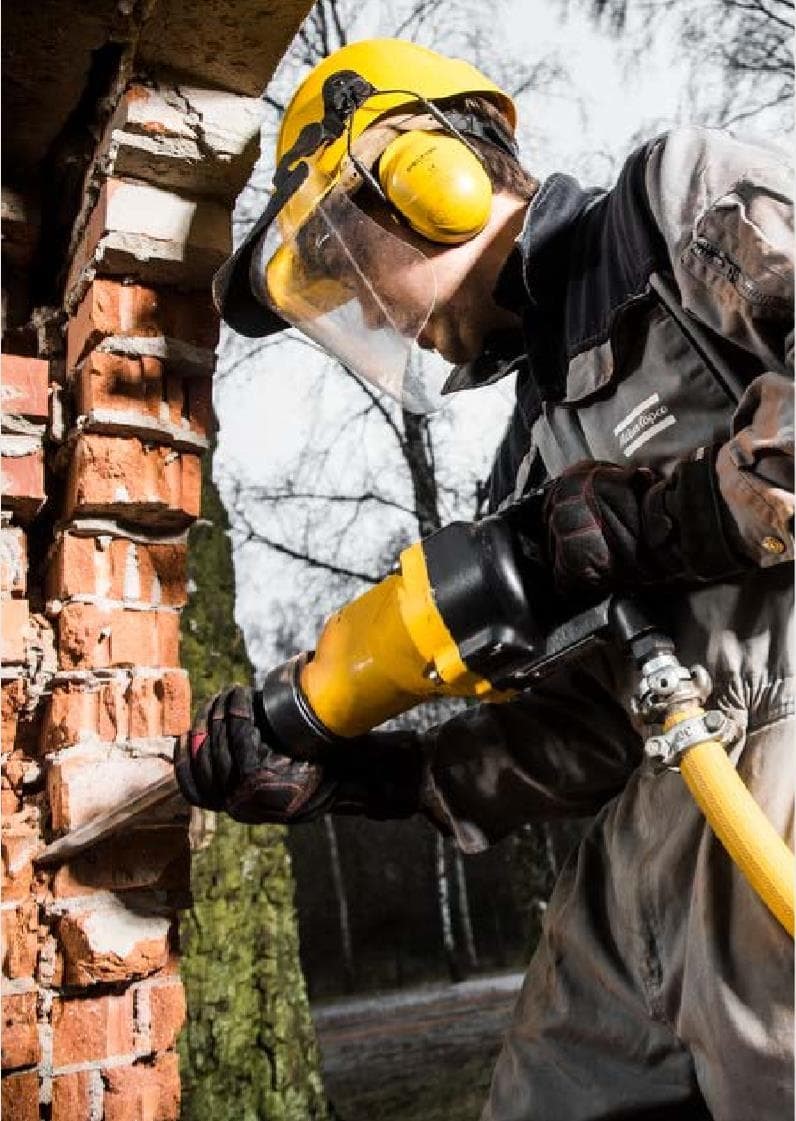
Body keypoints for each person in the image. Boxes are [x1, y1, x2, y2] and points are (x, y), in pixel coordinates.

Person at [178, 39, 794, 1121]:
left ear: (431, 170)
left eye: (341, 255)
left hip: (783, 754)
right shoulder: (531, 449)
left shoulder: (673, 208)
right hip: (670, 810)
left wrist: (676, 515)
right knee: (545, 1091)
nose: (362, 308)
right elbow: (613, 709)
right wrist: (368, 773)